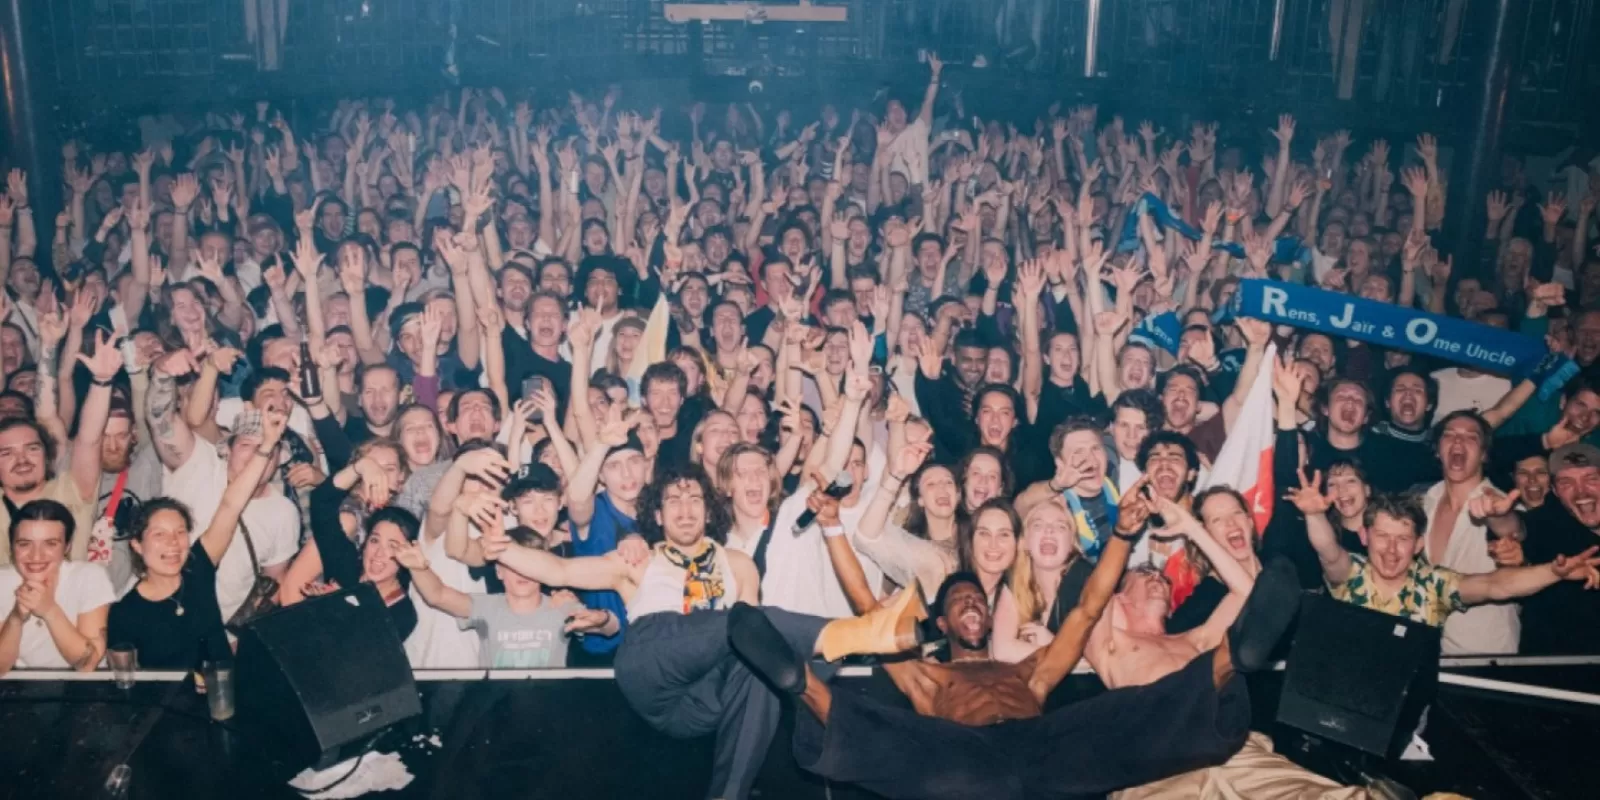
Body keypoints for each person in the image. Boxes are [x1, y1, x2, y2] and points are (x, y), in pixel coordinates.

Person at [725, 480, 1302, 800]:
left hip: (1046, 746)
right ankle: (796, 681)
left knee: (1122, 712)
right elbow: (868, 610)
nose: (972, 603)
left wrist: (1124, 534)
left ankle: (1235, 653)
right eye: (958, 603)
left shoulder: (1028, 670)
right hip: (960, 757)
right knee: (889, 729)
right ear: (941, 626)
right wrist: (832, 526)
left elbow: (1087, 609)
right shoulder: (927, 674)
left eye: (977, 597)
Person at [476, 463, 929, 800]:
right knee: (742, 624)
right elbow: (558, 566)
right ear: (657, 512)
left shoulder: (737, 564)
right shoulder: (637, 561)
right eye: (673, 499)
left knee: (758, 659)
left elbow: (760, 636)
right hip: (653, 669)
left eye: (694, 498)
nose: (685, 508)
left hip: (706, 700)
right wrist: (504, 549)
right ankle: (856, 633)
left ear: (709, 509)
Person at [1290, 483, 1599, 633]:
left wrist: (1554, 573)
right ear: (1365, 537)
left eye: (1403, 539)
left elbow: (1497, 585)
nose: (1391, 549)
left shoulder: (1434, 584)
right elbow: (1328, 551)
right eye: (1383, 537)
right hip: (1336, 698)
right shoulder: (1351, 573)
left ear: (1418, 544)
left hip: (1402, 717)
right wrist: (1315, 515)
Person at [106, 409, 285, 668]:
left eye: (180, 532)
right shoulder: (124, 613)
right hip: (168, 708)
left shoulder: (197, 568)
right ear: (137, 544)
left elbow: (230, 506)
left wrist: (266, 446)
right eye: (159, 534)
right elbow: (124, 684)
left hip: (226, 702)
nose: (172, 542)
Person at [0, 500, 112, 673]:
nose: (36, 555)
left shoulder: (89, 576)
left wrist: (50, 610)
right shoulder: (3, 581)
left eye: (50, 543)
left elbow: (87, 664)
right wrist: (15, 618)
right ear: (12, 547)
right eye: (24, 544)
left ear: (67, 547)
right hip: (22, 689)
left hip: (83, 690)